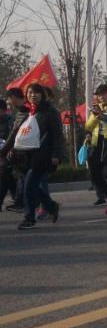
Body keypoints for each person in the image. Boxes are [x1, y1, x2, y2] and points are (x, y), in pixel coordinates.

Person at [9, 83, 65, 229]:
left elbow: (57, 135)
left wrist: (56, 154)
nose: (33, 95)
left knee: (28, 187)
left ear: (42, 94)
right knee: (33, 186)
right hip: (27, 156)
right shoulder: (27, 112)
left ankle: (29, 218)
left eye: (36, 92)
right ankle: (51, 206)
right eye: (30, 93)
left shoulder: (50, 112)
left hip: (43, 156)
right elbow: (17, 134)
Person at [85, 84, 107, 216]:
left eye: (104, 94)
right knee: (94, 173)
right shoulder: (96, 109)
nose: (101, 97)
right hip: (96, 142)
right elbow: (88, 126)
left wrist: (104, 115)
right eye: (99, 95)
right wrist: (95, 115)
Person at [1, 88, 27, 211]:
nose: (10, 102)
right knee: (14, 176)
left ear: (14, 98)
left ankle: (49, 206)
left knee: (34, 181)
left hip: (27, 151)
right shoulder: (20, 112)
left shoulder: (27, 112)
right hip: (16, 151)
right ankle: (19, 201)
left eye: (10, 100)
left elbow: (14, 134)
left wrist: (5, 150)